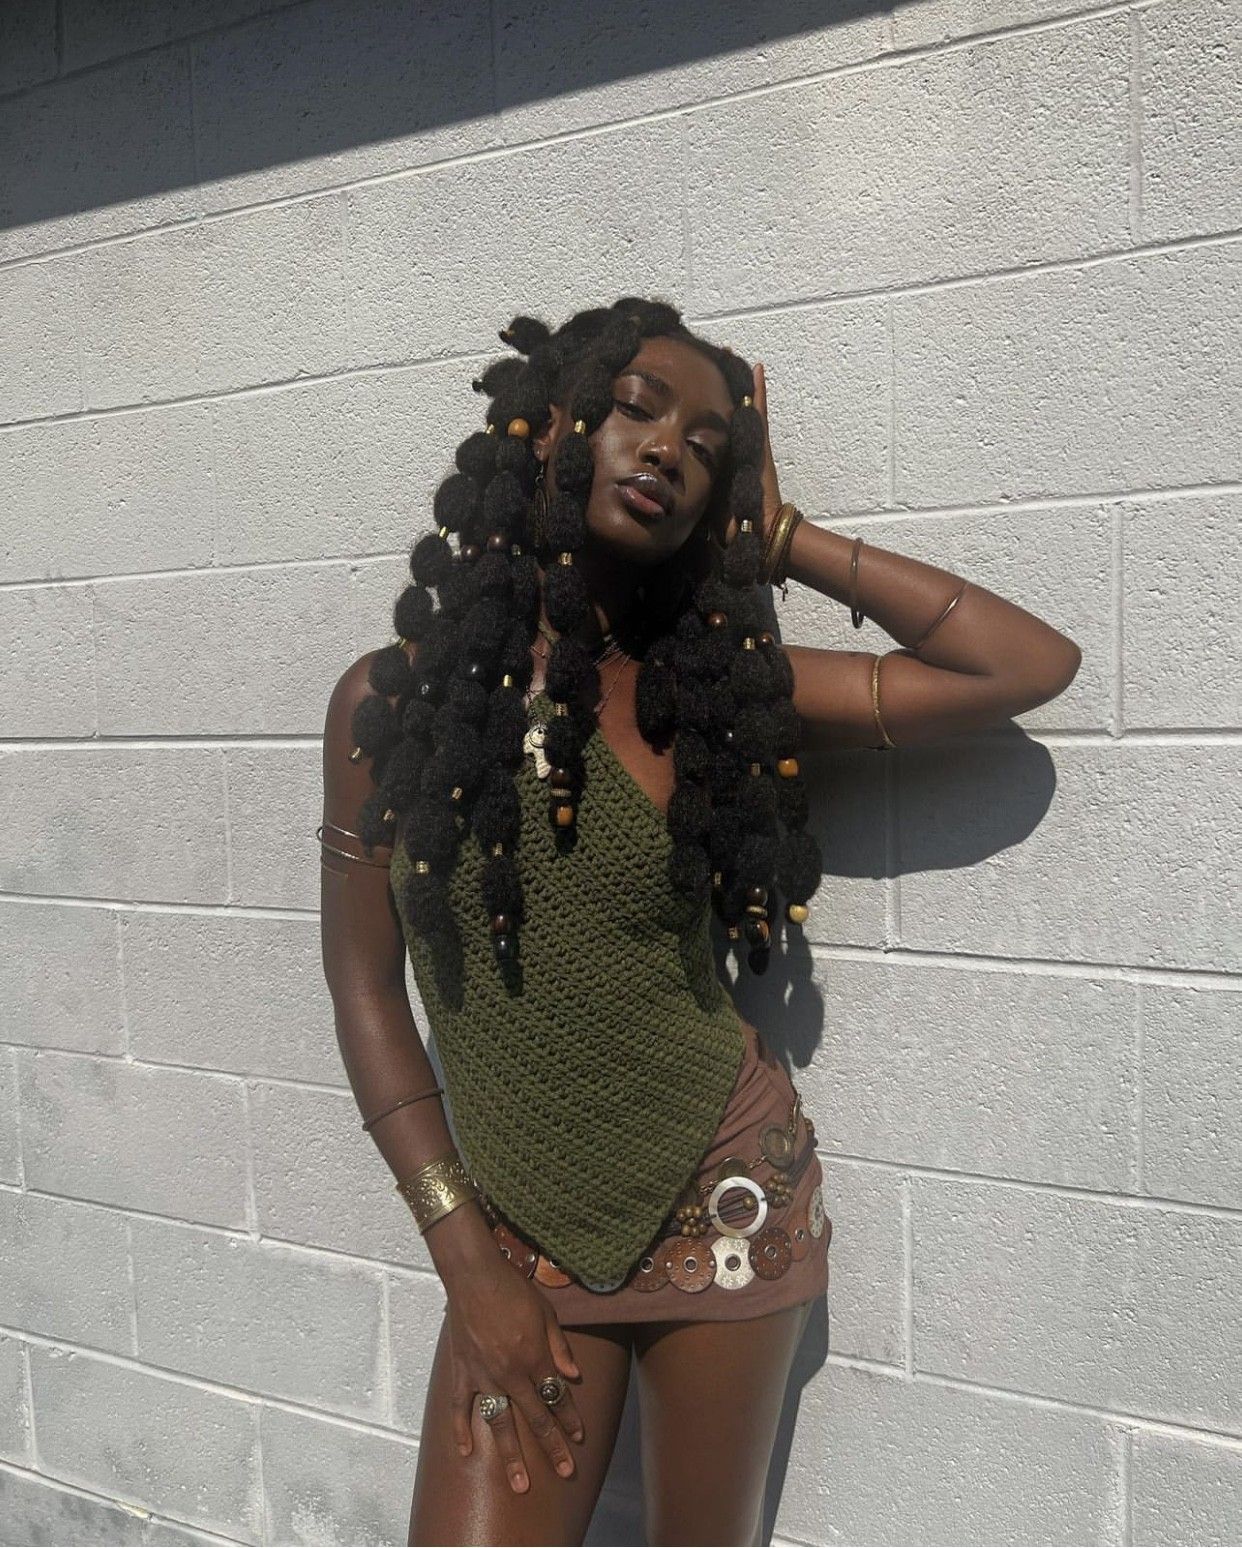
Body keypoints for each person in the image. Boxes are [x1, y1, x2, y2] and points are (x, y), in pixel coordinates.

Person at [318, 296, 1081, 1546]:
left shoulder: (714, 696)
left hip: (721, 1203)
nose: (671, 447)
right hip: (511, 1233)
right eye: (638, 407)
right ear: (548, 422)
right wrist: (465, 1256)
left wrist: (784, 537)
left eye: (711, 443)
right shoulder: (388, 707)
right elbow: (362, 988)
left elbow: (1021, 667)